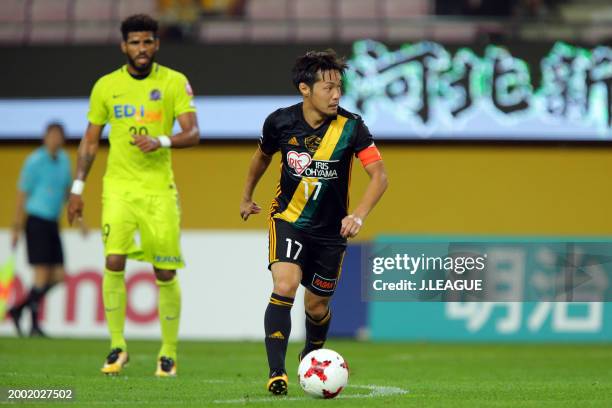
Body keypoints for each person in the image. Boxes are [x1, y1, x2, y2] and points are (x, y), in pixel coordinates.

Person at [239, 49, 388, 395]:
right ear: (304, 89)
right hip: (288, 219)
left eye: (339, 88)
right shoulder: (279, 122)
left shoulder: (352, 127)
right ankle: (277, 373)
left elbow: (379, 175)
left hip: (331, 233)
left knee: (317, 306)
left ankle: (311, 356)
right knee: (286, 284)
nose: (336, 94)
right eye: (328, 87)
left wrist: (358, 215)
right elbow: (260, 159)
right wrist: (247, 195)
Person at [66, 14, 200, 377]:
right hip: (119, 188)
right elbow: (91, 140)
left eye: (148, 41)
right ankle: (117, 346)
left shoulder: (173, 82)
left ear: (156, 44)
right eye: (135, 42)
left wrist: (161, 140)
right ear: (124, 46)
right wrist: (78, 188)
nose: (142, 48)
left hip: (158, 191)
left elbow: (193, 133)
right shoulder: (106, 86)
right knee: (113, 261)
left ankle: (168, 353)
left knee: (165, 269)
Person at [9, 123, 73, 337]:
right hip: (36, 220)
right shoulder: (35, 161)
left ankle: (18, 309)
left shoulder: (64, 161)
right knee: (41, 274)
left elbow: (67, 192)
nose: (55, 139)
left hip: (53, 222)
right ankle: (34, 325)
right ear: (45, 137)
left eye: (59, 136)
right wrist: (16, 227)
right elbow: (22, 194)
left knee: (58, 277)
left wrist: (78, 219)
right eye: (51, 135)